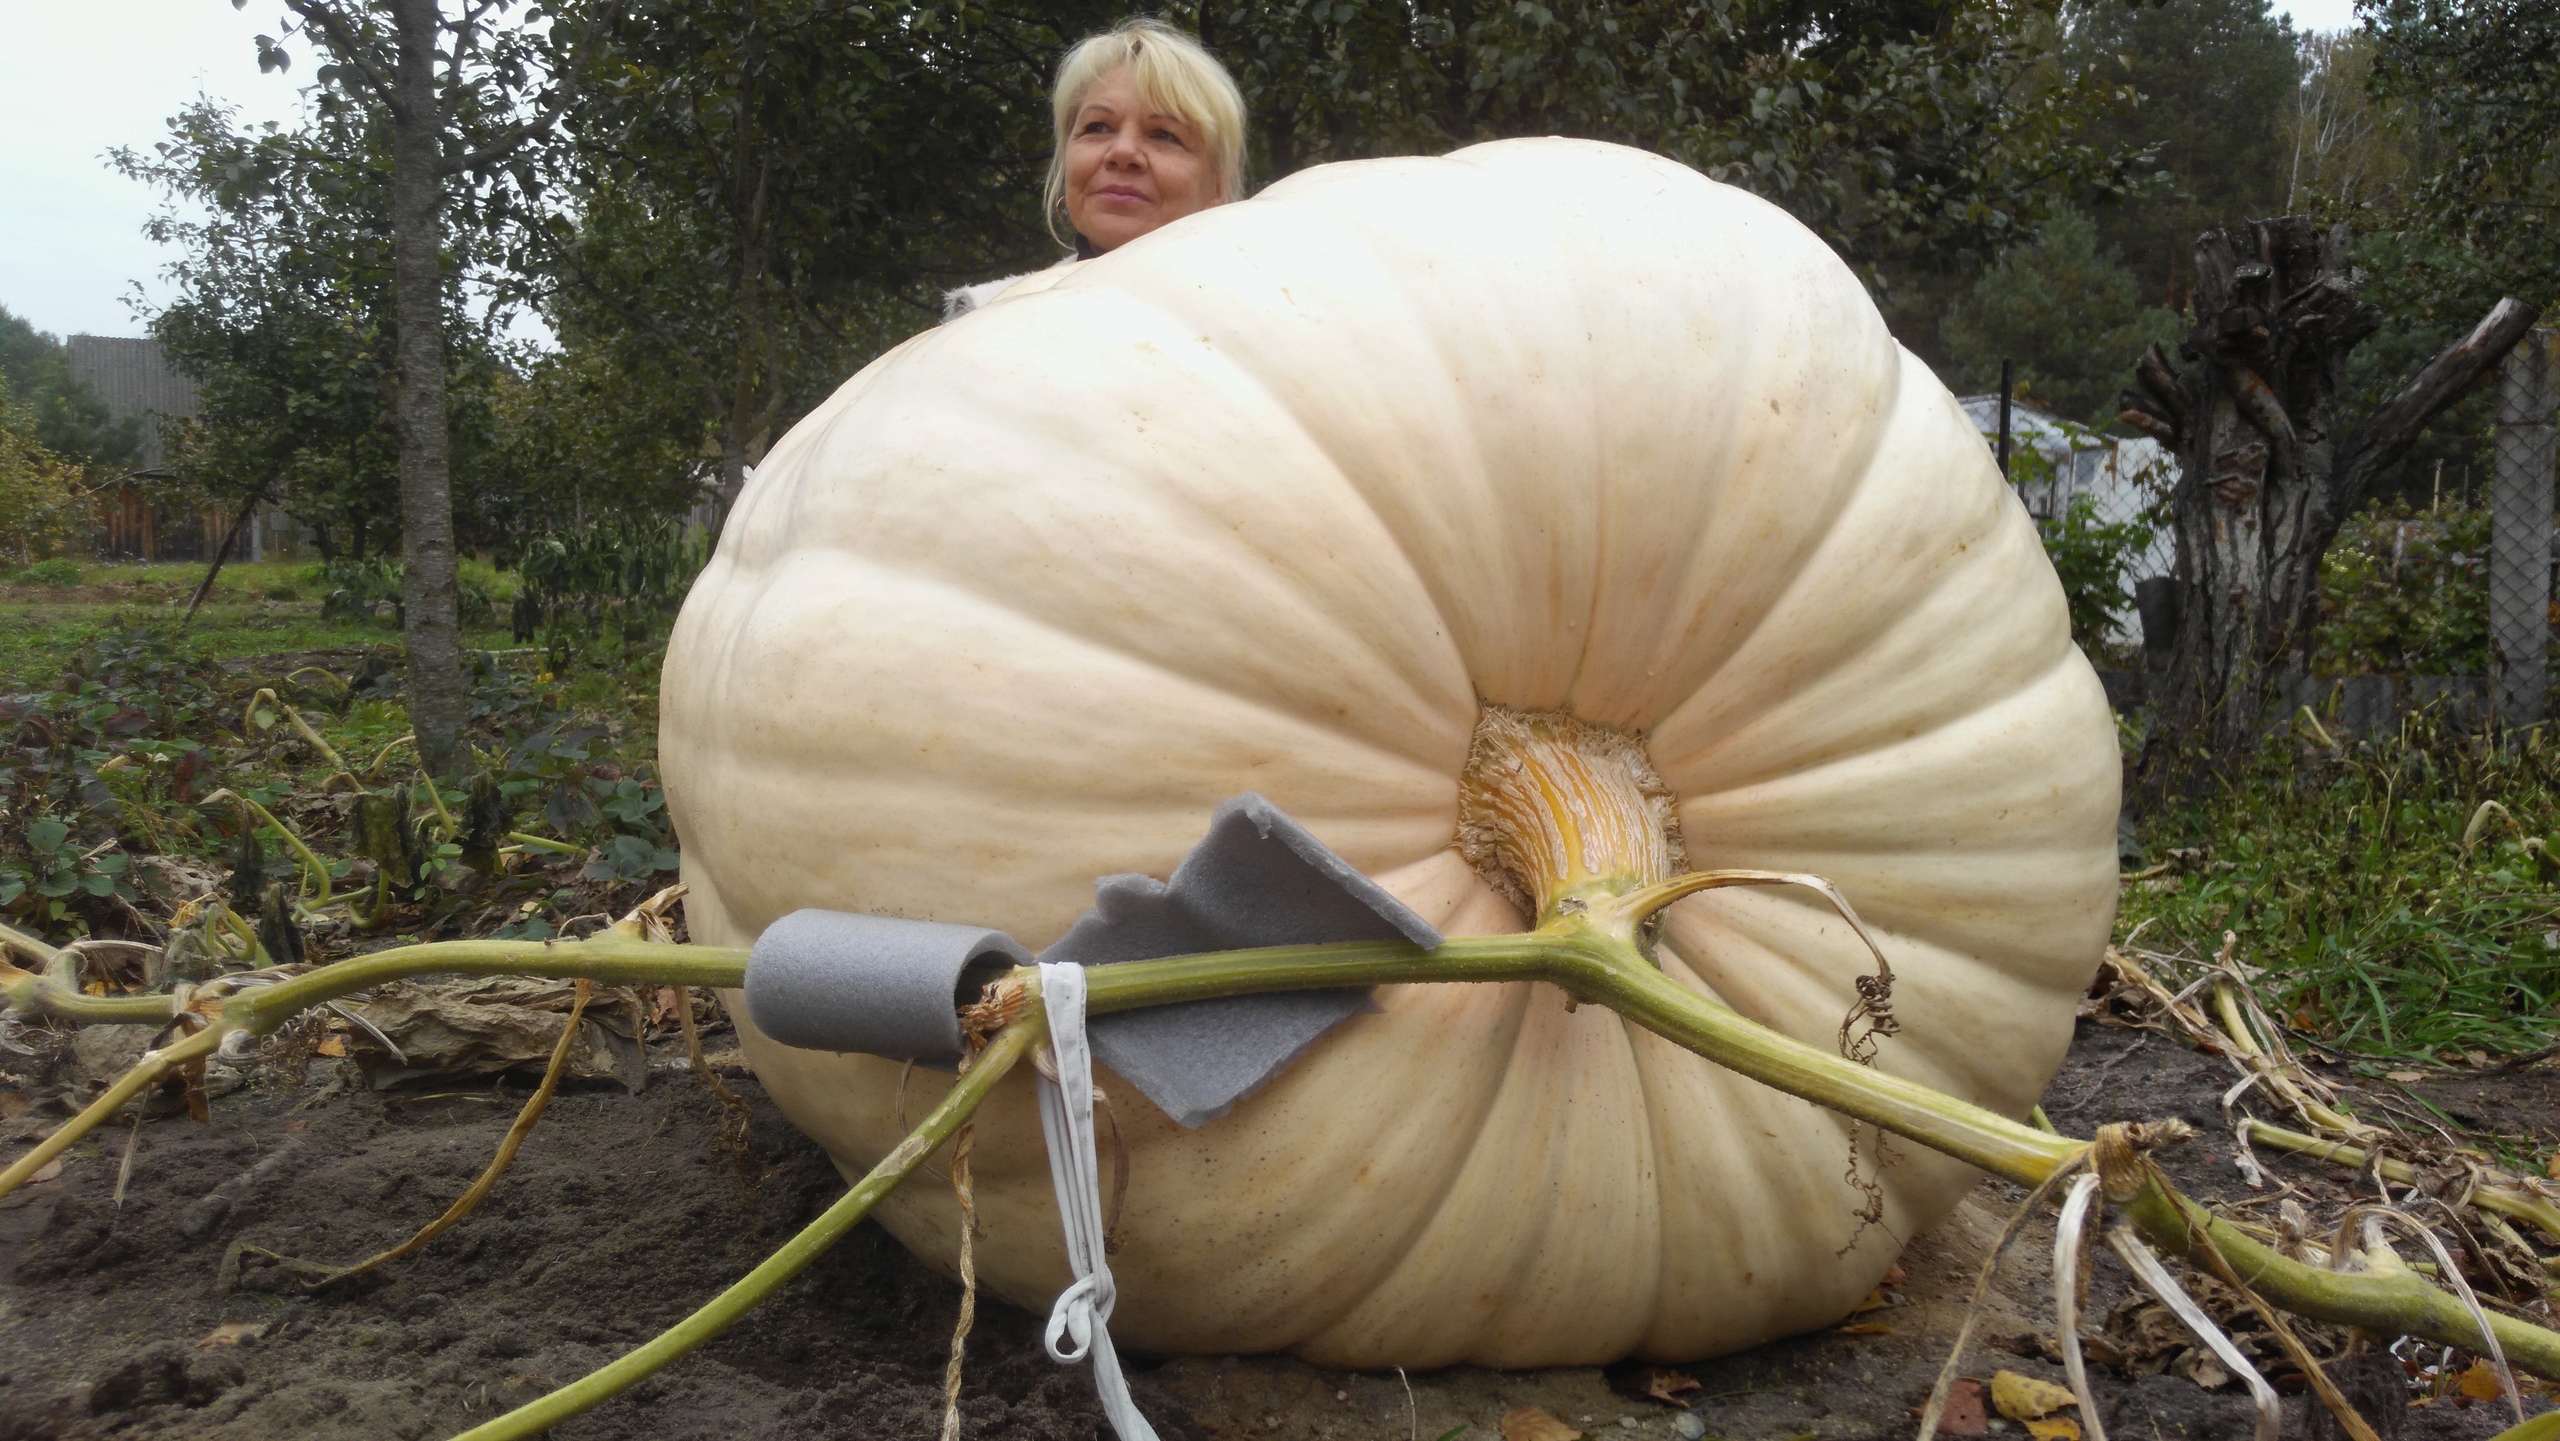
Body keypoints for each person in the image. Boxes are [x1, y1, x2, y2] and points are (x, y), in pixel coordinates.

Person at [941, 18, 1246, 321]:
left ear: (1218, 186)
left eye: (1164, 135)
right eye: (1097, 127)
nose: (1123, 152)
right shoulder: (984, 317)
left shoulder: (1274, 311)